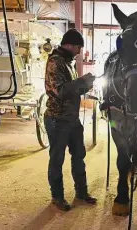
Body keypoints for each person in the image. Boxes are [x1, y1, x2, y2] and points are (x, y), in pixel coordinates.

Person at [44, 29, 96, 211]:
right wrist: (82, 82)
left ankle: (81, 192)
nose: (79, 52)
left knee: (79, 156)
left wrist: (86, 86)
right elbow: (60, 91)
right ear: (69, 45)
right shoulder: (55, 62)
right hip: (57, 119)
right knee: (57, 159)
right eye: (78, 47)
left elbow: (72, 89)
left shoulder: (68, 62)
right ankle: (57, 196)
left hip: (72, 119)